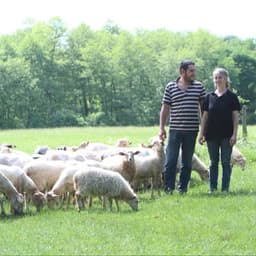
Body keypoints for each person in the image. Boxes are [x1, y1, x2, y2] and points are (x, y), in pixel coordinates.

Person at [159, 60, 206, 194]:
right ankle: (168, 188)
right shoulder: (170, 86)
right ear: (182, 71)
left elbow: (204, 111)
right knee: (170, 161)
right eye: (191, 71)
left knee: (187, 162)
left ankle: (183, 189)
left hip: (191, 131)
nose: (194, 73)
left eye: (194, 70)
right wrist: (161, 128)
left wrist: (203, 130)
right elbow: (165, 108)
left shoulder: (199, 87)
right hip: (175, 130)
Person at [198, 67, 241, 193]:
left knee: (226, 162)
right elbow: (204, 116)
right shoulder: (209, 97)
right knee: (213, 162)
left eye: (220, 77)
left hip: (227, 135)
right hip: (211, 135)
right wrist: (202, 134)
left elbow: (235, 117)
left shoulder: (232, 97)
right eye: (215, 78)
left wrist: (234, 134)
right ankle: (213, 188)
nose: (218, 80)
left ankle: (225, 189)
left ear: (226, 79)